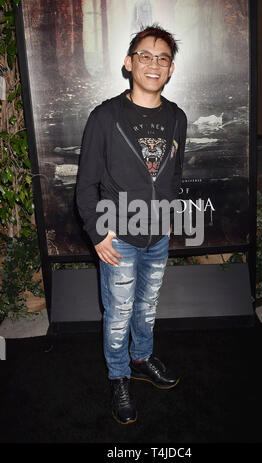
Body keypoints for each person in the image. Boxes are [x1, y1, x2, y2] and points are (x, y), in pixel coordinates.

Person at [76, 25, 187, 425]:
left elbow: (173, 176)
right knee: (118, 313)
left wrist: (170, 217)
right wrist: (97, 231)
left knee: (147, 306)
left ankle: (142, 358)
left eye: (162, 58)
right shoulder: (105, 117)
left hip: (158, 234)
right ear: (129, 63)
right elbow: (86, 184)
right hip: (117, 237)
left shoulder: (177, 117)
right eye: (145, 55)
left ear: (171, 69)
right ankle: (119, 376)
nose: (153, 63)